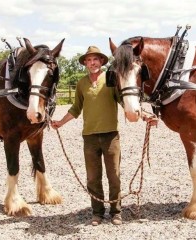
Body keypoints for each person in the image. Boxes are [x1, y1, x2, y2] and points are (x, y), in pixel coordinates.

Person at [51, 46, 158, 226]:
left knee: (114, 176)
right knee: (93, 178)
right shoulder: (81, 84)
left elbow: (125, 102)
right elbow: (76, 108)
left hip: (110, 137)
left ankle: (116, 212)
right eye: (89, 60)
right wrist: (60, 122)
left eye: (96, 60)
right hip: (89, 138)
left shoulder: (111, 80)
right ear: (85, 63)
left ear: (101, 62)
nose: (92, 63)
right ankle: (97, 213)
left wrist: (145, 116)